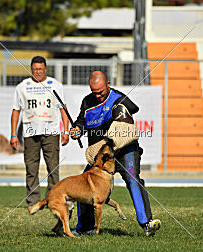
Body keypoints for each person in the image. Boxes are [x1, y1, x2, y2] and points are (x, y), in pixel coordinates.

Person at [70, 70, 160, 236]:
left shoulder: (118, 98)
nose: (98, 96)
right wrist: (77, 130)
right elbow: (81, 122)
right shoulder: (87, 101)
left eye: (101, 92)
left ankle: (147, 223)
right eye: (94, 92)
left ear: (108, 85)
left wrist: (119, 110)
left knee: (133, 180)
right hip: (101, 156)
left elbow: (134, 108)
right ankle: (85, 228)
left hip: (125, 149)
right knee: (85, 185)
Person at [10, 56, 69, 209]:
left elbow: (63, 109)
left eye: (40, 69)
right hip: (30, 133)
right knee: (31, 169)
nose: (38, 72)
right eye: (35, 69)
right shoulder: (22, 87)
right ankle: (33, 201)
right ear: (31, 69)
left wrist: (66, 131)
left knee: (53, 168)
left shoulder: (55, 85)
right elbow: (16, 111)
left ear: (45, 69)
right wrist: (13, 134)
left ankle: (54, 199)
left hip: (51, 132)